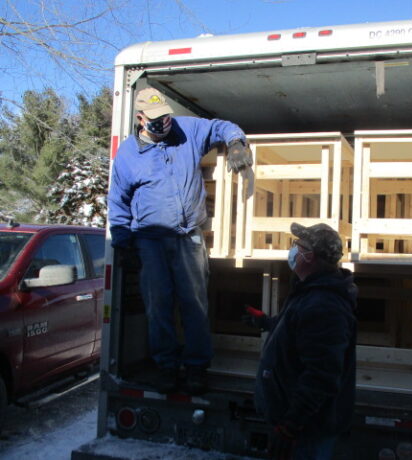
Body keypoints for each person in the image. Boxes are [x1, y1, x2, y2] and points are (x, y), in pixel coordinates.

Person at [108, 87, 252, 394]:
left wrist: (237, 143)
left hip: (189, 236)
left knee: (194, 303)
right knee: (158, 305)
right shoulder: (128, 155)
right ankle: (167, 368)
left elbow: (220, 126)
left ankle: (197, 367)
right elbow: (118, 201)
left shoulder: (186, 130)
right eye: (157, 119)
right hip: (149, 240)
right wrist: (122, 241)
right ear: (140, 118)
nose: (165, 123)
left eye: (167, 117)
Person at [244, 222, 358, 460]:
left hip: (307, 430)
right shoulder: (311, 292)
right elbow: (301, 332)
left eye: (299, 245)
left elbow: (321, 375)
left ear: (310, 256)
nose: (294, 249)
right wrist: (267, 323)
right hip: (300, 424)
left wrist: (290, 425)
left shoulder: (324, 305)